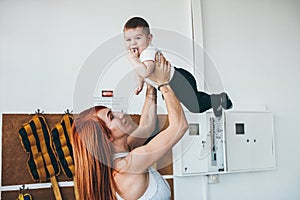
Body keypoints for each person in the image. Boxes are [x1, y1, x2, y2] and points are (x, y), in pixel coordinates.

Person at [71, 52, 188, 200]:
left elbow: (147, 125)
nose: (120, 113)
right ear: (108, 137)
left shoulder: (121, 154)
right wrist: (163, 83)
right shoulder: (128, 167)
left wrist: (150, 82)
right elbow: (179, 126)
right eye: (111, 117)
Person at [123, 16, 233, 117]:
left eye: (138, 38)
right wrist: (140, 84)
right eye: (128, 40)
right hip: (174, 82)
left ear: (149, 38)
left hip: (179, 80)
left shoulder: (148, 52)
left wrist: (132, 59)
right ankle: (214, 102)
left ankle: (219, 99)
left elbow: (145, 72)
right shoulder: (141, 57)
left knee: (195, 107)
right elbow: (139, 72)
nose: (133, 43)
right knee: (193, 99)